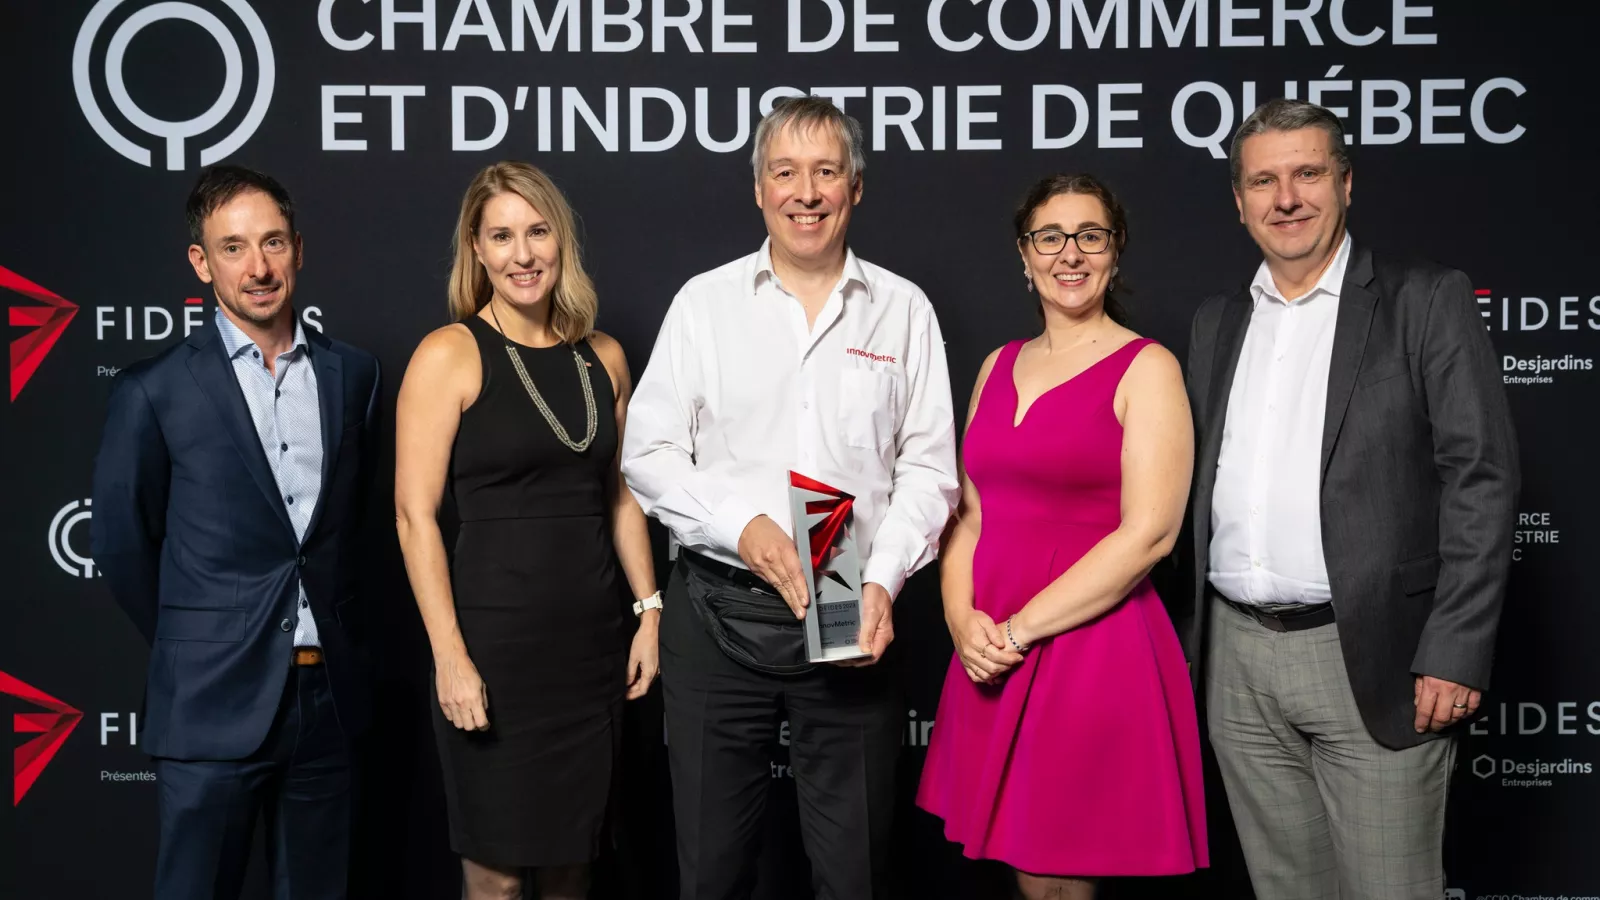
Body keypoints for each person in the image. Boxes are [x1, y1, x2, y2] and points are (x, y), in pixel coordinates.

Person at [621, 96, 959, 899]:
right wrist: (742, 528)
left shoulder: (904, 307)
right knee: (712, 872)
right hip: (717, 612)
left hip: (851, 605)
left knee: (856, 875)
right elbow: (649, 453)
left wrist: (882, 579)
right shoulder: (705, 305)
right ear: (760, 191)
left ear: (855, 189)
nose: (806, 192)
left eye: (826, 172)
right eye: (786, 173)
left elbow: (929, 468)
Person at [1182, 98, 1519, 899]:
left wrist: (1455, 647)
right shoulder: (1216, 321)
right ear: (1238, 199)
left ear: (1346, 182)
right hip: (1236, 660)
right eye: (1263, 180)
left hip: (1377, 653)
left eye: (1307, 173)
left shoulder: (1425, 300)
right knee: (1285, 887)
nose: (1286, 197)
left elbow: (1482, 478)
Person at [90, 165, 381, 900]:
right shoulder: (152, 389)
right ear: (201, 262)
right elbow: (124, 547)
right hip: (208, 703)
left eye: (273, 243)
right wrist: (204, 640)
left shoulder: (354, 375)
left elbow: (355, 533)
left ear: (299, 250)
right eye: (234, 247)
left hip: (326, 700)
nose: (258, 267)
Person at [916, 174, 1208, 899]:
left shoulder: (1148, 368)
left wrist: (1015, 631)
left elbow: (1150, 536)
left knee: (1058, 882)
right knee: (1025, 876)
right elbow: (970, 514)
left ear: (1115, 253)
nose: (1069, 253)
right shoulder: (997, 364)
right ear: (1025, 255)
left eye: (1090, 236)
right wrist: (962, 621)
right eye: (1050, 237)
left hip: (1089, 649)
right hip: (990, 646)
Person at [393, 161, 659, 900]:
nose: (523, 254)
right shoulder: (447, 354)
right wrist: (449, 656)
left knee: (576, 870)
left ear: (561, 241)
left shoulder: (602, 357)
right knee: (498, 880)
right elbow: (413, 516)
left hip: (591, 655)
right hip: (494, 653)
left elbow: (622, 497)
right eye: (502, 235)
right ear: (476, 250)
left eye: (538, 232)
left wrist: (649, 611)